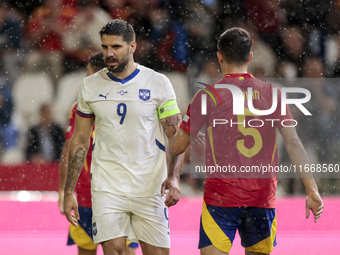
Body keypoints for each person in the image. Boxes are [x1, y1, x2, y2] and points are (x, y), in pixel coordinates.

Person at [170, 27, 324, 255]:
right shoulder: (273, 93)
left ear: (219, 57)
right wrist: (312, 190)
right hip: (261, 199)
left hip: (220, 199)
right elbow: (294, 143)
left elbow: (178, 147)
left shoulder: (207, 96)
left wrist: (183, 130)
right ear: (250, 58)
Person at [63, 19, 185, 255]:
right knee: (115, 250)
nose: (109, 53)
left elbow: (176, 134)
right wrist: (69, 192)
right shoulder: (90, 86)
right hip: (107, 187)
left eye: (116, 47)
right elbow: (79, 140)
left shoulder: (158, 83)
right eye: (105, 47)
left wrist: (174, 177)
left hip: (150, 186)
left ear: (132, 47)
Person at [58, 52, 138, 255]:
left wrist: (63, 190)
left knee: (87, 249)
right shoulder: (131, 104)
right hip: (123, 194)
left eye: (88, 73)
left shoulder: (80, 107)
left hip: (89, 196)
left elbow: (69, 150)